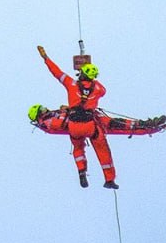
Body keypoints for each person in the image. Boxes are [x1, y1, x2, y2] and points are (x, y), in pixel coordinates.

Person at [36, 45, 117, 189]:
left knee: (78, 149)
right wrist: (93, 81)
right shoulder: (98, 89)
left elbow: (56, 72)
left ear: (81, 74)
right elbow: (103, 90)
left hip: (74, 125)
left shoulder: (71, 84)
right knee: (102, 149)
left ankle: (81, 171)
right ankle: (109, 179)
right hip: (90, 125)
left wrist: (46, 58)